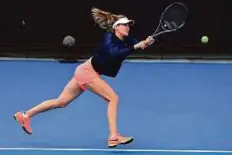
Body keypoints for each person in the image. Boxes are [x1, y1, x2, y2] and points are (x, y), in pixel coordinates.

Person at [14, 7, 155, 148]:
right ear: (117, 27)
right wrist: (135, 47)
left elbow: (135, 44)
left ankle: (25, 115)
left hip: (83, 70)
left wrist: (145, 43)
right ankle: (114, 136)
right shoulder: (108, 38)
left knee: (61, 102)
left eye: (129, 25)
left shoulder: (126, 38)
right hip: (88, 73)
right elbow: (115, 54)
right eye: (125, 25)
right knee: (113, 98)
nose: (128, 28)